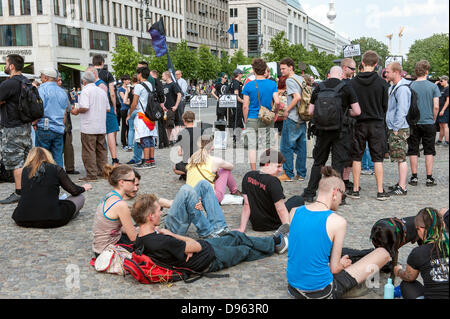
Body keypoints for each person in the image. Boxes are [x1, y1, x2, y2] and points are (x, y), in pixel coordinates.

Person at [287, 166, 391, 299]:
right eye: (343, 194)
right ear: (335, 192)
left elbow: (301, 251)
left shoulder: (294, 211)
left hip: (293, 287)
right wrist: (342, 264)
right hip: (322, 292)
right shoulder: (337, 221)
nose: (342, 199)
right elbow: (335, 269)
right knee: (383, 253)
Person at [130, 193, 289, 278]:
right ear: (150, 216)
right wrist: (174, 236)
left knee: (236, 235)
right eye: (159, 211)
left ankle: (274, 242)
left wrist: (182, 245)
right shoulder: (161, 240)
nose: (161, 213)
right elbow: (196, 246)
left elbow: (189, 247)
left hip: (206, 249)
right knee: (243, 249)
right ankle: (275, 245)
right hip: (209, 260)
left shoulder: (141, 239)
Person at [301, 66, 361, 203]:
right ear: (341, 75)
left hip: (322, 130)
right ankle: (337, 196)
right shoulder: (346, 88)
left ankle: (310, 192)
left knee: (318, 162)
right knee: (337, 164)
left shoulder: (319, 87)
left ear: (329, 75)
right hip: (341, 131)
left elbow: (311, 111)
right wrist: (345, 113)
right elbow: (357, 111)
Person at [348, 51, 390, 201]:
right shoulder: (382, 83)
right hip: (377, 123)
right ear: (377, 65)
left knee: (357, 157)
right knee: (377, 158)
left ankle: (355, 190)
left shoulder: (352, 83)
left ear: (362, 63)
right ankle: (380, 191)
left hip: (358, 123)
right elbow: (386, 106)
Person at [12, 147, 91, 228]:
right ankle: (71, 214)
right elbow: (74, 190)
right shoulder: (56, 169)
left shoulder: (24, 171)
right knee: (79, 197)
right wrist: (83, 188)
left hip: (23, 219)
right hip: (52, 219)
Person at [238, 149, 304, 233]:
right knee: (298, 199)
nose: (280, 170)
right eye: (278, 166)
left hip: (256, 224)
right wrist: (288, 231)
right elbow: (281, 209)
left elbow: (246, 204)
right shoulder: (273, 181)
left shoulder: (248, 176)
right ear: (267, 164)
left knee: (247, 199)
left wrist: (242, 228)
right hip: (273, 223)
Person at [394, 207, 449, 299]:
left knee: (407, 285)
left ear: (421, 229)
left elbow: (409, 277)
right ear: (442, 225)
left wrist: (398, 271)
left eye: (417, 229)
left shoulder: (418, 253)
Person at [0, 54, 33, 205]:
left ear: (12, 66)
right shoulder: (26, 81)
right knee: (26, 159)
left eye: (6, 64)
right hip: (26, 125)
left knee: (15, 161)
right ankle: (29, 188)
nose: (5, 66)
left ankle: (19, 192)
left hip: (12, 126)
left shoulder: (9, 84)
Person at [92, 164, 138, 257]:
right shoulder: (121, 205)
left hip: (101, 246)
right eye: (133, 180)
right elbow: (133, 237)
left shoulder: (110, 195)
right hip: (107, 251)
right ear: (121, 182)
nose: (135, 183)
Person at [242, 58, 280, 171]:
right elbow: (277, 102)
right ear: (265, 70)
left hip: (252, 118)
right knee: (267, 145)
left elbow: (245, 106)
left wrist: (246, 120)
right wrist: (275, 113)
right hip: (267, 118)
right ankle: (265, 170)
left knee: (252, 147)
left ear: (254, 70)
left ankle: (254, 172)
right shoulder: (272, 83)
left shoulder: (248, 86)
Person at [71, 70, 109, 182]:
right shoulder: (101, 91)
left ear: (84, 81)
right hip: (101, 125)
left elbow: (85, 107)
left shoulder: (86, 91)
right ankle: (103, 172)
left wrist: (77, 111)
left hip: (89, 126)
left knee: (89, 150)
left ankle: (92, 174)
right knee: (101, 150)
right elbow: (107, 108)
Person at [408, 60, 441, 187]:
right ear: (427, 71)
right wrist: (433, 118)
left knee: (413, 150)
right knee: (429, 150)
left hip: (414, 122)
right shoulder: (433, 87)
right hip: (428, 122)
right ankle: (429, 178)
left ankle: (414, 177)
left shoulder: (410, 86)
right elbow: (436, 106)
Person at [186, 135, 241, 204]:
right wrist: (219, 167)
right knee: (225, 170)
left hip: (191, 197)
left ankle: (234, 191)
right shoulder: (215, 161)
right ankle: (234, 191)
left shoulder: (191, 159)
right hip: (209, 198)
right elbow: (231, 167)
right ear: (212, 147)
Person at [278, 58, 307, 182]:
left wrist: (287, 110)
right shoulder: (301, 79)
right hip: (302, 117)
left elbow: (297, 97)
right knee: (301, 148)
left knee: (286, 147)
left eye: (284, 68)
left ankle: (288, 173)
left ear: (291, 67)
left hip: (292, 117)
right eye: (281, 69)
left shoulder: (290, 80)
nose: (282, 71)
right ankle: (301, 174)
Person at [384, 62, 411, 196]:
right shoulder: (394, 87)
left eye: (388, 71)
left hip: (399, 127)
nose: (386, 74)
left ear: (396, 72)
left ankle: (402, 187)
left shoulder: (402, 88)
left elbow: (402, 109)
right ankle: (400, 183)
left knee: (401, 158)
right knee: (398, 157)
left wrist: (396, 127)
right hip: (395, 126)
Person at [34, 68, 69, 169]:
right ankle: (58, 180)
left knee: (42, 157)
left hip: (45, 127)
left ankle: (43, 181)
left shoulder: (42, 89)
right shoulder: (62, 91)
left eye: (41, 76)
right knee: (57, 157)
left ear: (45, 77)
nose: (40, 78)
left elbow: (38, 110)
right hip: (58, 128)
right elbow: (65, 112)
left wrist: (34, 123)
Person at [126, 67, 158, 169]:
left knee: (144, 138)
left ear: (140, 74)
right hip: (150, 115)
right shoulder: (150, 85)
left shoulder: (139, 87)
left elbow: (134, 103)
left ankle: (146, 161)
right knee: (150, 137)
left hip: (142, 115)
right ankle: (151, 160)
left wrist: (129, 115)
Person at [92, 55, 120, 165]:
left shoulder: (90, 74)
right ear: (103, 63)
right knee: (110, 132)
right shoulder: (107, 74)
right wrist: (114, 107)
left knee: (97, 134)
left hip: (94, 108)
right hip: (107, 107)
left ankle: (100, 160)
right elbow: (112, 93)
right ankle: (114, 159)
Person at [173, 111, 202, 180]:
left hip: (187, 162)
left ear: (184, 120)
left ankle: (188, 173)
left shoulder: (181, 133)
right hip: (200, 161)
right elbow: (210, 148)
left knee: (174, 168)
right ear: (193, 120)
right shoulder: (201, 131)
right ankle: (196, 172)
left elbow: (179, 153)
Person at [59, 77, 79, 175]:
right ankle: (60, 168)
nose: (60, 82)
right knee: (59, 145)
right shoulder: (62, 91)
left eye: (60, 80)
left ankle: (69, 167)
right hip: (59, 121)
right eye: (58, 80)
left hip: (65, 121)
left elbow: (69, 107)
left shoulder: (64, 91)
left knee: (68, 145)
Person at [162, 71, 183, 145]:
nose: (162, 77)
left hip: (172, 108)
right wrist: (163, 106)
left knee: (174, 124)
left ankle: (175, 139)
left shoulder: (173, 85)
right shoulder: (164, 86)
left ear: (167, 76)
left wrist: (176, 106)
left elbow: (179, 95)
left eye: (163, 76)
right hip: (166, 108)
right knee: (168, 125)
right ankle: (169, 140)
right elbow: (163, 97)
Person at [230, 69, 245, 144]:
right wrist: (243, 101)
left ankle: (237, 138)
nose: (242, 75)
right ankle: (236, 138)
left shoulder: (236, 82)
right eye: (241, 74)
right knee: (237, 122)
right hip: (237, 105)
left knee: (238, 122)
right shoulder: (236, 83)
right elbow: (236, 95)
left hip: (236, 105)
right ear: (238, 74)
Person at [117, 74, 131, 151]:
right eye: (128, 79)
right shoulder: (120, 90)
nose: (129, 81)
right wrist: (129, 101)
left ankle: (129, 142)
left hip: (129, 109)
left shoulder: (129, 88)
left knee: (129, 126)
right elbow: (124, 101)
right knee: (124, 127)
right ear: (124, 81)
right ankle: (123, 143)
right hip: (124, 109)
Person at [436, 75, 449, 146]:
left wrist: (443, 110)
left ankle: (447, 141)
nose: (440, 82)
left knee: (445, 125)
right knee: (441, 125)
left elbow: (448, 101)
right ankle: (440, 140)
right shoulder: (442, 88)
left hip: (445, 109)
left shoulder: (448, 88)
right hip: (440, 108)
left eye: (441, 81)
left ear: (446, 80)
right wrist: (436, 83)